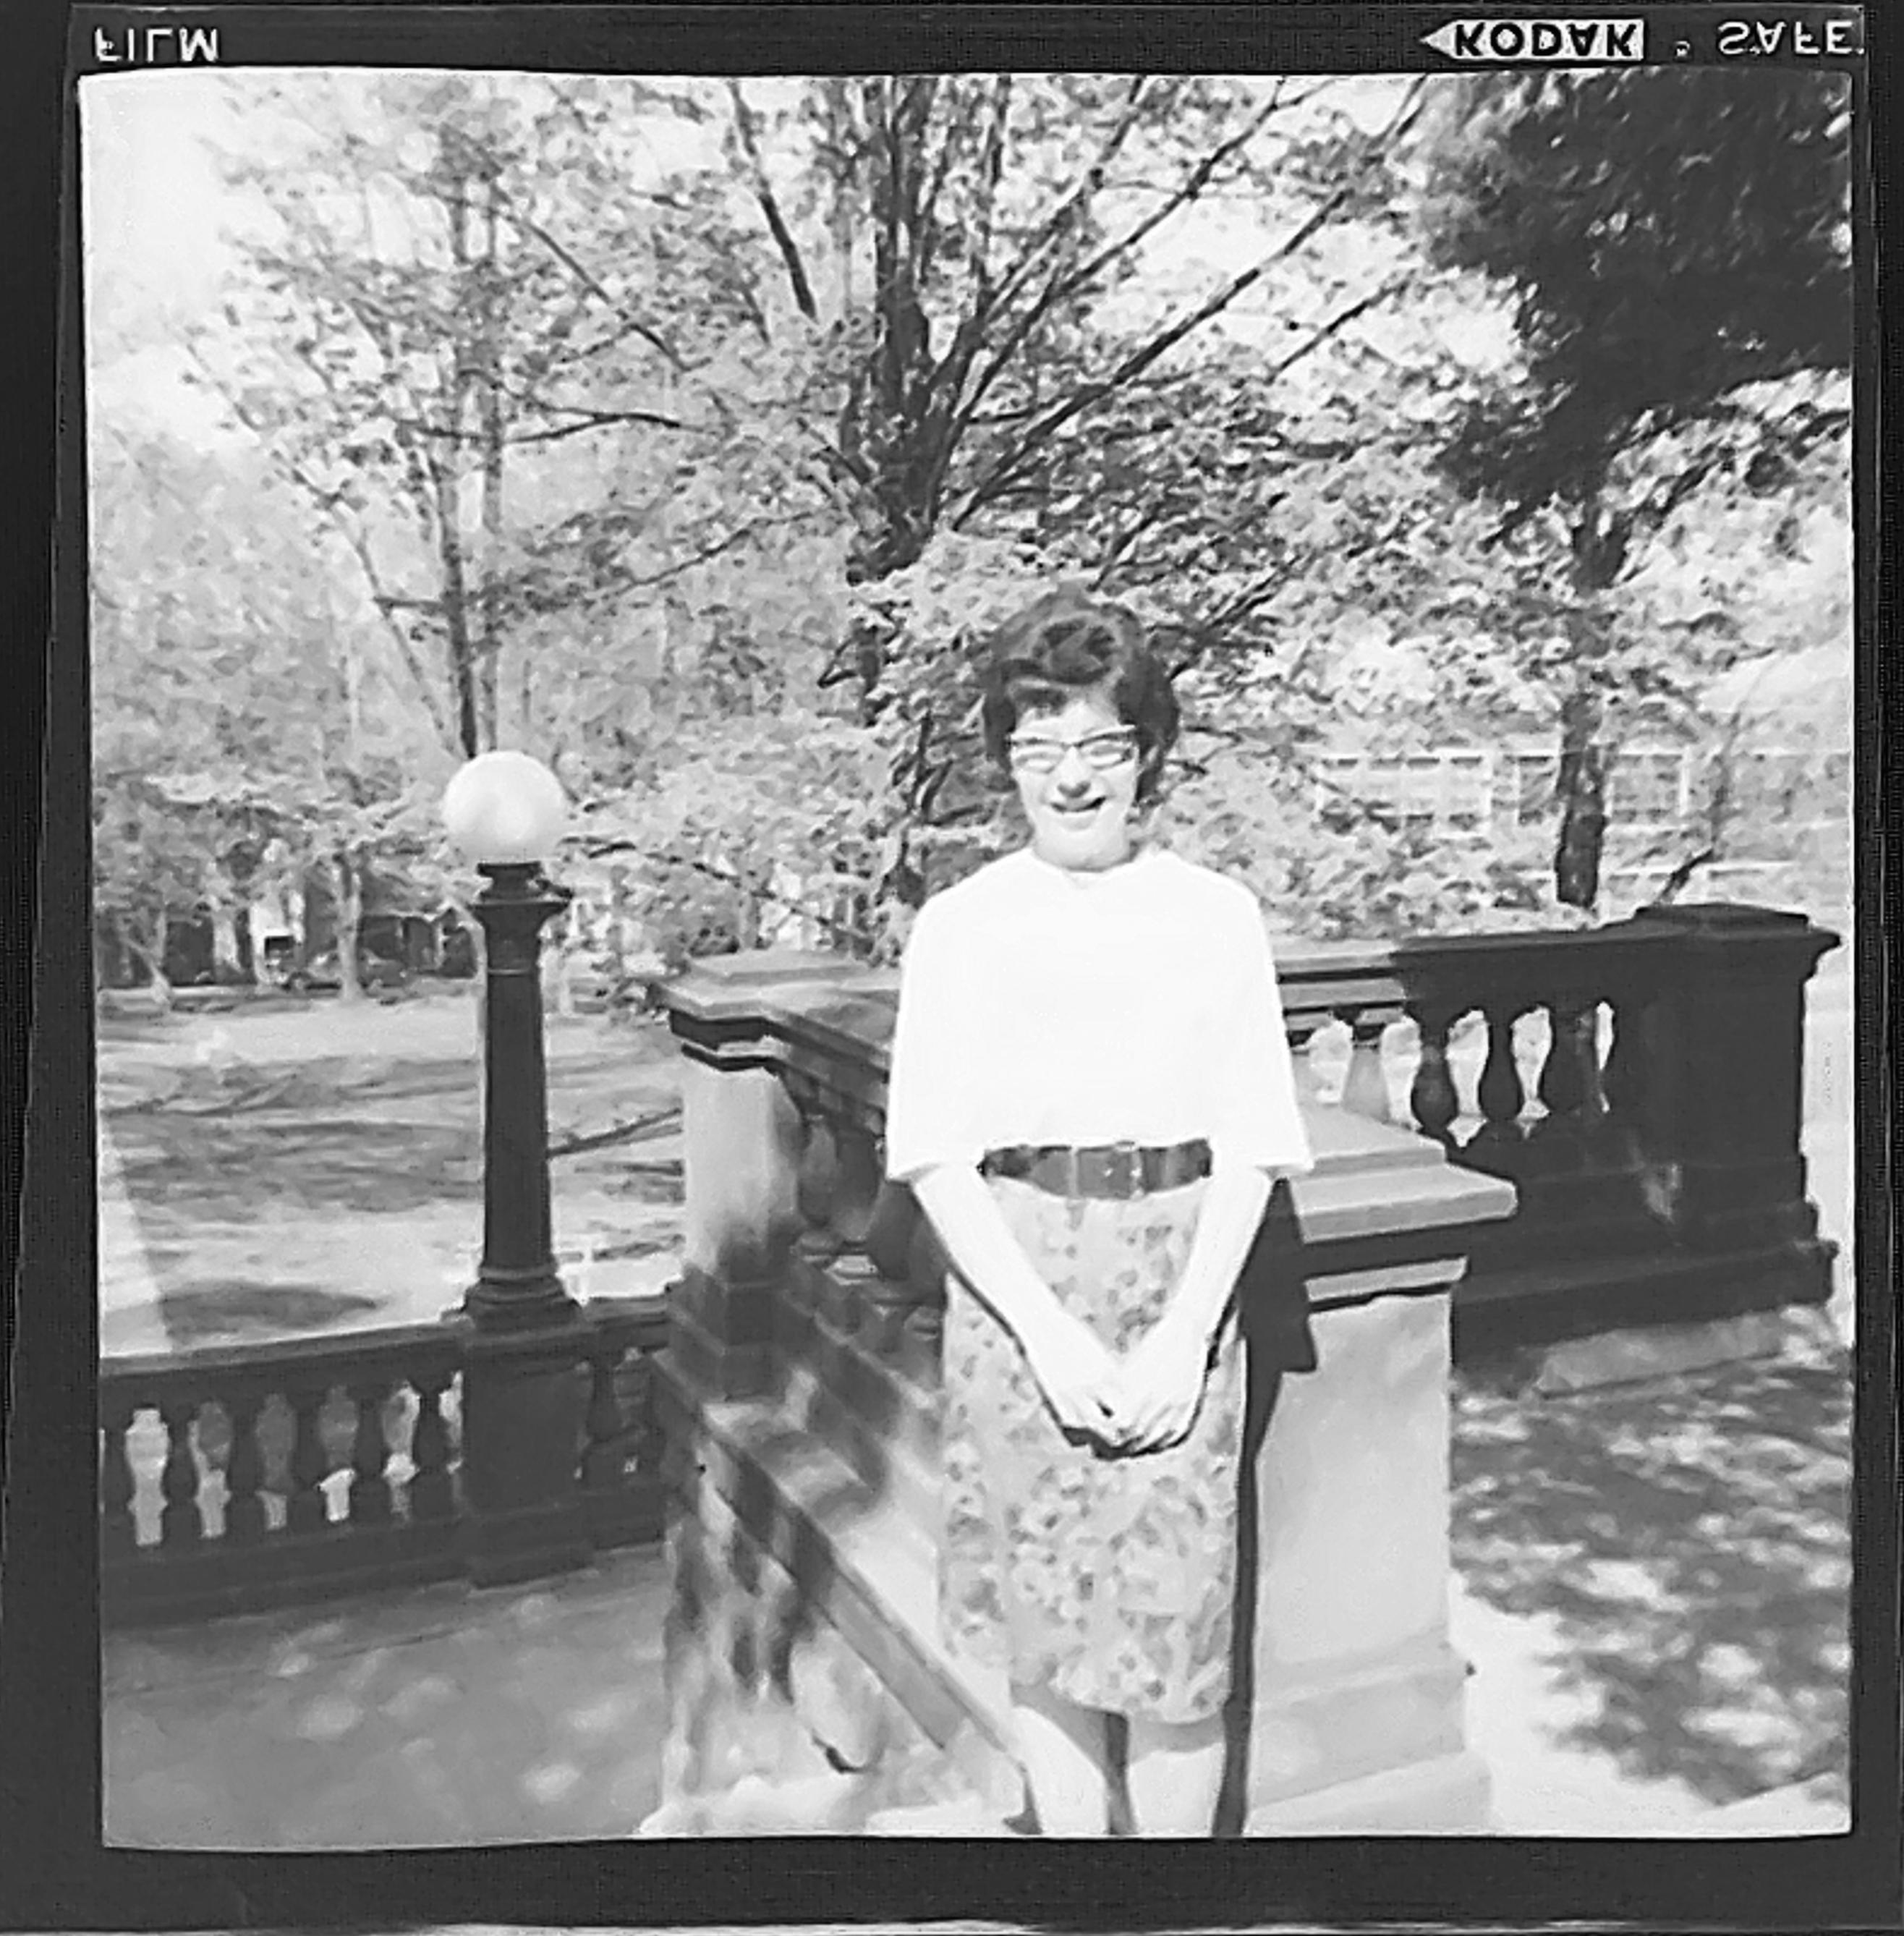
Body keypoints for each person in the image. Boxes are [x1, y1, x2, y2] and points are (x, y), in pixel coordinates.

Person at [882, 587, 1314, 1837]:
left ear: (1147, 753)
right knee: (1047, 1636)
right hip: (1017, 1289)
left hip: (1182, 1276)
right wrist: (1049, 1339)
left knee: (1176, 1644)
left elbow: (1253, 1144)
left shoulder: (1215, 915)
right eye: (1040, 747)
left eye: (1101, 744)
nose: (1071, 777)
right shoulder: (961, 928)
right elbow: (935, 1157)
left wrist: (1185, 1339)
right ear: (1007, 758)